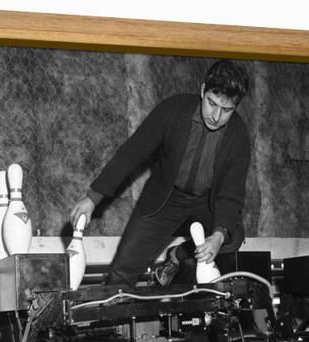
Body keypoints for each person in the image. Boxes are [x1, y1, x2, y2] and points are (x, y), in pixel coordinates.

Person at [70, 59, 250, 288]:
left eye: (226, 110)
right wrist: (93, 198)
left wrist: (217, 236)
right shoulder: (172, 110)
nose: (216, 116)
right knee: (123, 267)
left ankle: (179, 254)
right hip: (166, 199)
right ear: (202, 89)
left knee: (232, 237)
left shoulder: (239, 136)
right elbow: (132, 153)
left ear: (236, 107)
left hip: (207, 204)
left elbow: (231, 194)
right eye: (212, 104)